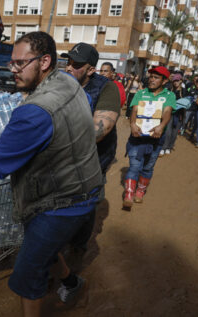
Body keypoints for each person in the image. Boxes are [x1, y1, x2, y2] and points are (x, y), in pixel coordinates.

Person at [0, 31, 102, 316]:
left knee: (27, 273)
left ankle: (73, 291)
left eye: (20, 63)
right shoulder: (68, 82)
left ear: (45, 61)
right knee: (43, 250)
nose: (13, 70)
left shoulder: (36, 111)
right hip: (85, 186)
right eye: (11, 63)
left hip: (62, 201)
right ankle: (73, 283)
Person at [60, 43, 120, 255]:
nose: (68, 67)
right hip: (61, 159)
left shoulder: (106, 88)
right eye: (67, 62)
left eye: (75, 64)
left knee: (85, 204)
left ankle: (78, 245)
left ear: (90, 69)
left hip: (93, 159)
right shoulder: (60, 84)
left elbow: (101, 130)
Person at [123, 66, 175, 208]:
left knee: (147, 167)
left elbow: (167, 111)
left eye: (156, 77)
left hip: (156, 139)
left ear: (164, 81)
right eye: (151, 76)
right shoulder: (141, 93)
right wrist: (133, 124)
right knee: (134, 166)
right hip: (137, 137)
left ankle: (140, 190)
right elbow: (134, 110)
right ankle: (129, 194)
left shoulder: (169, 96)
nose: (152, 79)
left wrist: (161, 126)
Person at [160, 73, 186, 156]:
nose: (176, 82)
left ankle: (169, 147)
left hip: (179, 115)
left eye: (177, 80)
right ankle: (163, 147)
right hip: (169, 113)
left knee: (174, 133)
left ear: (181, 81)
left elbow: (187, 103)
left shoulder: (184, 91)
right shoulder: (169, 90)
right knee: (168, 131)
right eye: (174, 80)